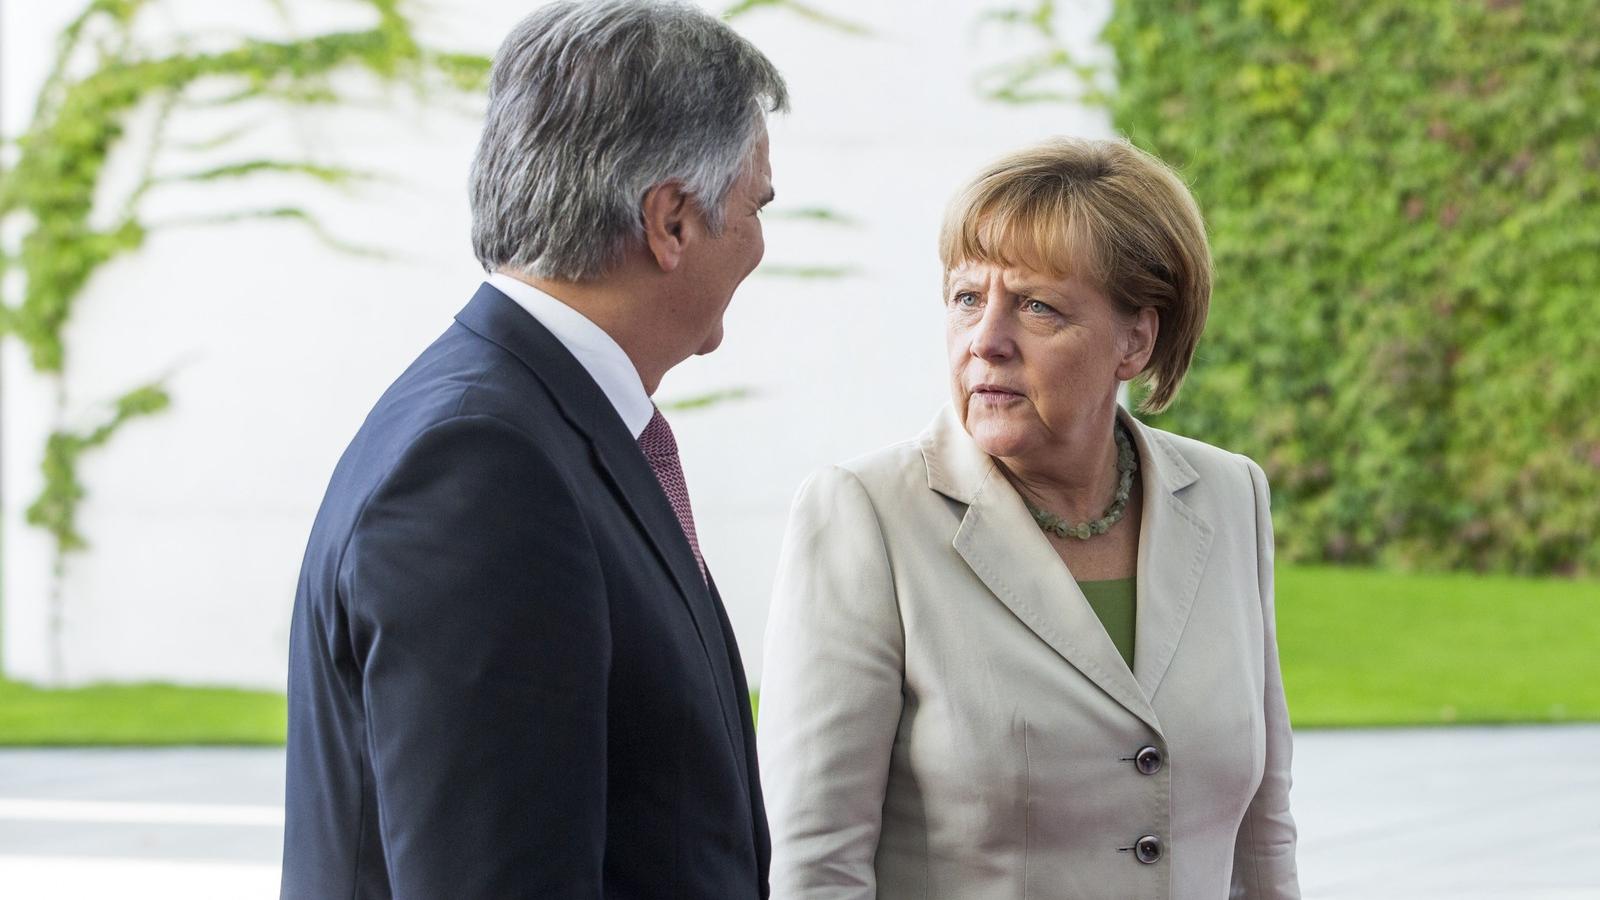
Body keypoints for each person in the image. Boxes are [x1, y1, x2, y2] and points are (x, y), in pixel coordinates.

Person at [280, 2, 786, 896]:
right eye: (754, 206)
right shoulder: (480, 465)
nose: (759, 243)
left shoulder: (527, 422)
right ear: (671, 221)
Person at [757, 137, 1299, 898]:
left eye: (1037, 306)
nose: (986, 341)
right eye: (968, 297)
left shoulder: (1229, 494)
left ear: (1135, 339)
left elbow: (1262, 831)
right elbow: (817, 865)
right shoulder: (866, 517)